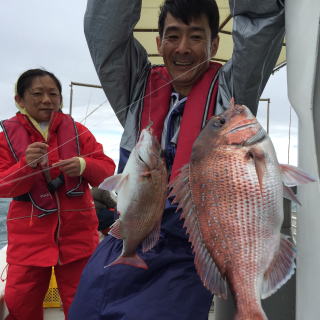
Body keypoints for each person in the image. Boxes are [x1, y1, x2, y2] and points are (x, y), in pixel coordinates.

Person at [69, 0, 285, 319]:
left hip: (186, 258)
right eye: (172, 36)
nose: (183, 48)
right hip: (124, 242)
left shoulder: (231, 93)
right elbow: (105, 32)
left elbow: (260, 21)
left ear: (214, 44)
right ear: (158, 43)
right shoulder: (136, 88)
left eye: (196, 37)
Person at [0, 68, 116, 319]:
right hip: (27, 242)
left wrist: (85, 165)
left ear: (60, 98)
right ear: (19, 100)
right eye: (37, 93)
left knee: (84, 303)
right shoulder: (5, 139)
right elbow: (3, 185)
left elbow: (107, 170)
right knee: (20, 303)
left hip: (78, 238)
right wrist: (24, 166)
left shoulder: (78, 131)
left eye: (53, 93)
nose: (47, 100)